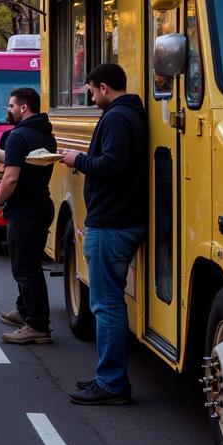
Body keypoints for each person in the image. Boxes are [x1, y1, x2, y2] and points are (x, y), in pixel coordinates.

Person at [58, 63, 148, 405]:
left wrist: (77, 159)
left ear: (105, 87)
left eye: (92, 92)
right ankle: (107, 376)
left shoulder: (115, 119)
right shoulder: (132, 115)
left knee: (106, 304)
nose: (92, 97)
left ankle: (111, 382)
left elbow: (111, 164)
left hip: (111, 222)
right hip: (121, 218)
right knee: (109, 301)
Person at [0, 87, 58, 345]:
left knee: (25, 268)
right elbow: (28, 161)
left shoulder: (17, 136)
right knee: (29, 263)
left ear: (23, 107)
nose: (8, 110)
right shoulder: (45, 134)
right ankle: (23, 311)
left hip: (24, 210)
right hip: (42, 203)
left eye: (10, 106)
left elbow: (11, 176)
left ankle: (37, 325)